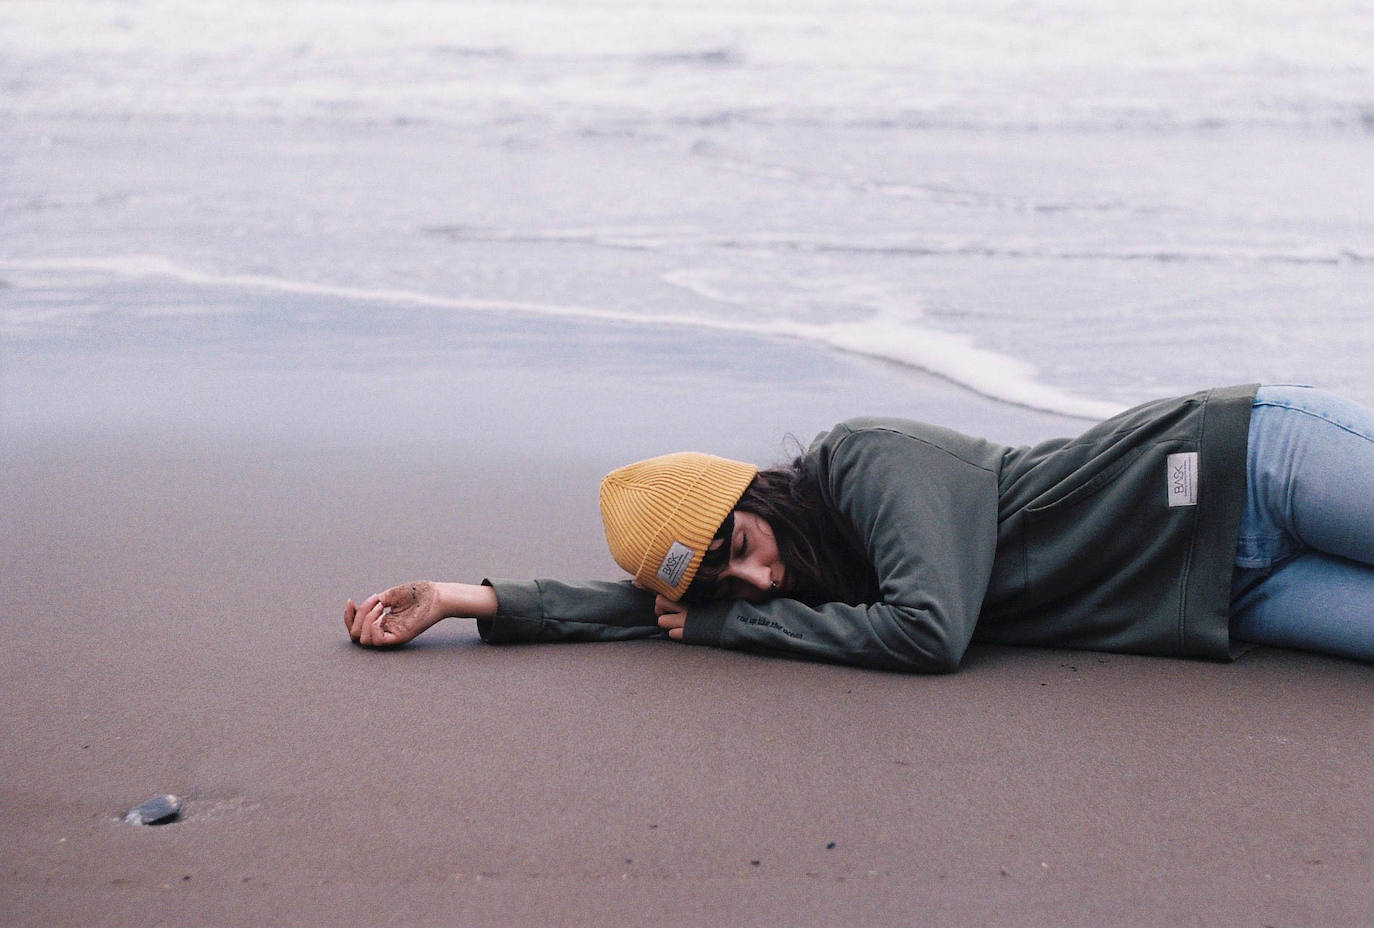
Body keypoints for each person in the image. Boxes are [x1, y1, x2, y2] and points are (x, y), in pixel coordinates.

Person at [344, 384, 1374, 671]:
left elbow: (931, 631)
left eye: (742, 550)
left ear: (760, 494)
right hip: (1234, 590)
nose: (755, 584)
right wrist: (462, 599)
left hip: (1250, 462)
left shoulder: (873, 462)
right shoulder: (812, 571)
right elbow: (648, 610)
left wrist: (735, 630)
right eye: (726, 587)